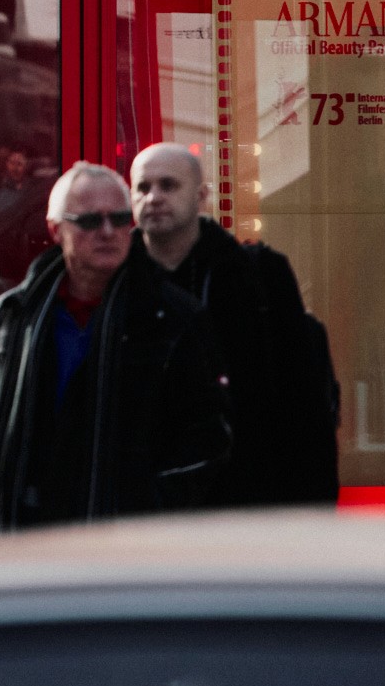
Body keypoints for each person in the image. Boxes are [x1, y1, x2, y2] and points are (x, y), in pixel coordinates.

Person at [0, 162, 228, 536]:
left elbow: (206, 441)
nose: (107, 232)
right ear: (56, 230)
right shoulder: (17, 313)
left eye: (120, 219)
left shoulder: (173, 318)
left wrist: (148, 515)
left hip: (125, 553)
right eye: (90, 221)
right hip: (23, 539)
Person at [129, 141, 336, 507]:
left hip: (242, 497)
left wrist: (309, 512)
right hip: (142, 505)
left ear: (201, 196)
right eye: (143, 188)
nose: (154, 197)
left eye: (168, 185)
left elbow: (302, 404)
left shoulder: (258, 277)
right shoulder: (114, 284)